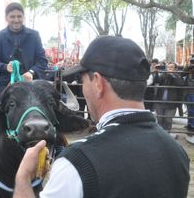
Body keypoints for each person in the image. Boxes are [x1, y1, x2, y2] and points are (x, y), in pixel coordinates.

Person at [14, 36, 190, 198]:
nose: (83, 88)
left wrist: (22, 178)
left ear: (98, 83)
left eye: (83, 80)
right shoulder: (177, 151)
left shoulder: (75, 162)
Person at [0, 2, 48, 102]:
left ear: (23, 17)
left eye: (19, 16)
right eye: (12, 16)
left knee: (56, 105)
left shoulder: (34, 35)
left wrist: (31, 72)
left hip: (33, 82)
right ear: (6, 18)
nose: (16, 20)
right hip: (5, 83)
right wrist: (5, 67)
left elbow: (42, 61)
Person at [153, 62, 184, 134]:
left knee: (168, 120)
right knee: (159, 119)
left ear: (175, 69)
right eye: (168, 67)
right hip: (160, 102)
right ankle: (160, 135)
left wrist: (172, 75)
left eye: (171, 67)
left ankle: (167, 136)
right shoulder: (163, 75)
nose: (169, 69)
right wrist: (156, 73)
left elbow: (180, 84)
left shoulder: (177, 76)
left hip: (171, 104)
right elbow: (156, 81)